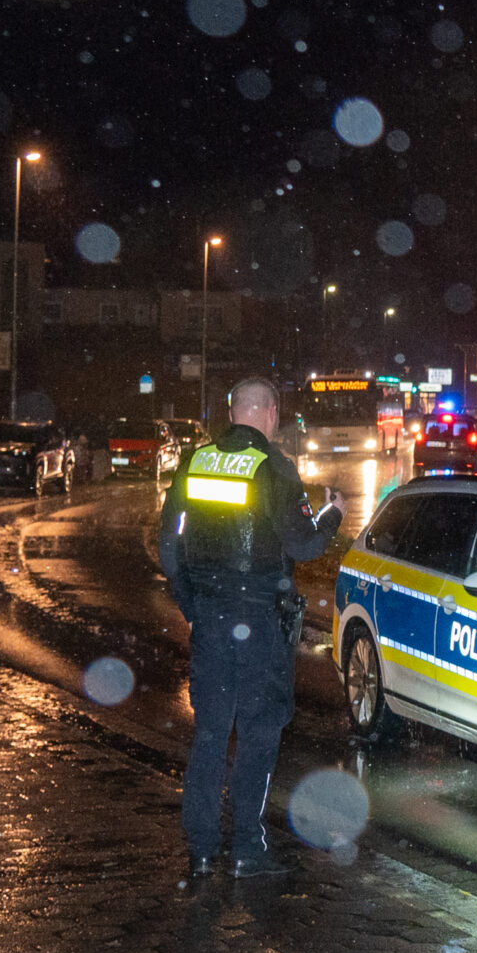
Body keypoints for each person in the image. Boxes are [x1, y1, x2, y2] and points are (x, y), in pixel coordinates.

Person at [159, 377, 343, 884]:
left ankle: (199, 851)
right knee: (259, 734)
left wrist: (192, 604)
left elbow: (168, 547)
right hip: (260, 623)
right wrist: (332, 517)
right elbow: (304, 546)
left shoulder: (195, 462)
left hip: (212, 620)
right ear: (269, 412)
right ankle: (245, 850)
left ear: (232, 409)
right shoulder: (276, 469)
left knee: (212, 733)